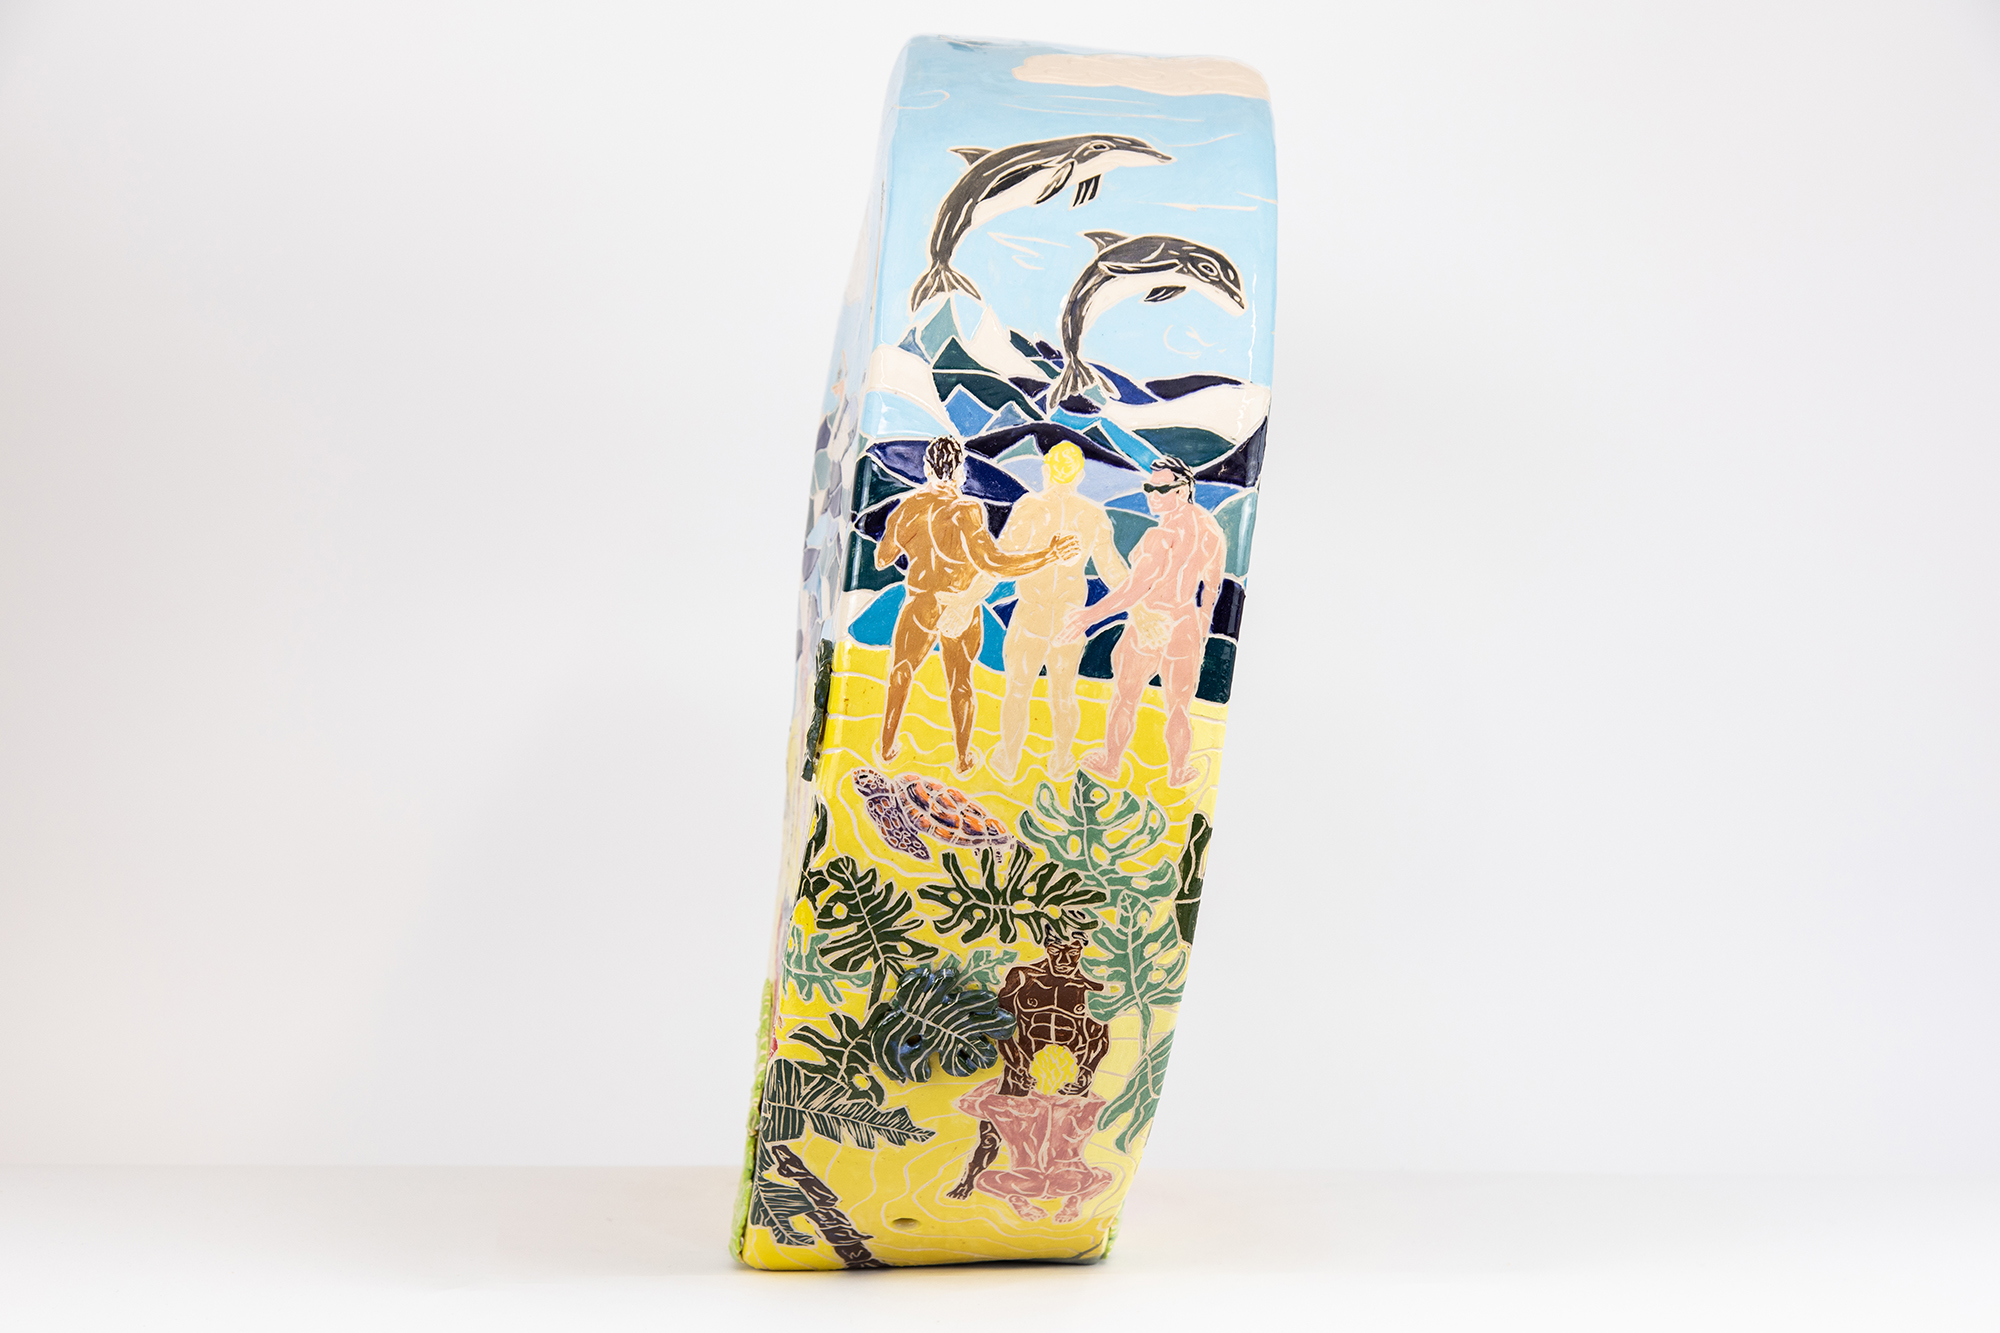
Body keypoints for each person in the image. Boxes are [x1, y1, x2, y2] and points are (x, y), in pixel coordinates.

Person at [876, 437, 1077, 775]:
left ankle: (885, 747)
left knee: (901, 672)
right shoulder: (967, 511)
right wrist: (1049, 555)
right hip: (958, 603)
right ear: (960, 471)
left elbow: (883, 559)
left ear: (927, 469)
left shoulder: (908, 508)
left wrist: (914, 544)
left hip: (920, 600)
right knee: (960, 682)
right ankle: (962, 758)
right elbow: (994, 564)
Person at [1056, 456, 1225, 787]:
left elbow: (1134, 590)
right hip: (1185, 622)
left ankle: (1111, 763)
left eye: (1161, 489)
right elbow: (1212, 586)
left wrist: (1088, 616)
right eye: (1149, 488)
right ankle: (1178, 773)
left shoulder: (1159, 536)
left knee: (1126, 697)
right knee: (1179, 707)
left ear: (1183, 490)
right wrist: (1201, 628)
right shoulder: (1211, 530)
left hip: (1151, 623)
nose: (1152, 496)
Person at [991, 442, 1129, 783]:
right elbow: (1112, 571)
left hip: (1032, 613)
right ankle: (1061, 760)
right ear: (1080, 475)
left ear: (1046, 470)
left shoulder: (1030, 508)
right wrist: (1141, 600)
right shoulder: (1093, 515)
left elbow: (1002, 561)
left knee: (1018, 691)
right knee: (1064, 695)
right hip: (1068, 618)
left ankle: (1008, 761)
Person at [946, 931, 1110, 1212]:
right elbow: (1001, 1023)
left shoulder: (1091, 988)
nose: (1064, 959)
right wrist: (1016, 1063)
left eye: (1072, 952)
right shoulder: (1023, 978)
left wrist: (1086, 1070)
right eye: (1056, 951)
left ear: (1081, 950)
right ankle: (969, 1180)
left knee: (1067, 1135)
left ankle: (1065, 1192)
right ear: (1047, 947)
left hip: (1065, 1073)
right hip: (1021, 1065)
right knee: (995, 1128)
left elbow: (1098, 1036)